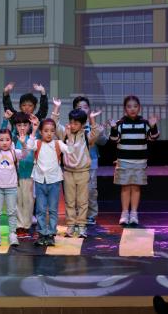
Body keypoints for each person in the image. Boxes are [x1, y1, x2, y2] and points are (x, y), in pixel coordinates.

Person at [52, 99, 103, 238]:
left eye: (76, 123)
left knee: (82, 201)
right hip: (68, 172)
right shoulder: (65, 134)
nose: (72, 125)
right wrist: (56, 108)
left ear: (82, 124)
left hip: (83, 173)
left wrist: (92, 119)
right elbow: (55, 124)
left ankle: (81, 226)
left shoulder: (86, 136)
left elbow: (95, 133)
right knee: (69, 201)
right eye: (71, 122)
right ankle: (70, 226)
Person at [108, 95, 159, 226]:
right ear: (125, 109)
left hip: (139, 162)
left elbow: (153, 137)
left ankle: (134, 213)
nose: (132, 109)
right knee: (125, 188)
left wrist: (153, 126)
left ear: (139, 108)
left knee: (136, 188)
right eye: (129, 106)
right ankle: (125, 213)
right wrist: (113, 128)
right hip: (124, 161)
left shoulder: (144, 123)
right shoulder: (120, 123)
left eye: (135, 106)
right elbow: (114, 140)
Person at [30, 118, 72, 247]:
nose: (49, 133)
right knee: (40, 209)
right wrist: (33, 130)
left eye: (52, 131)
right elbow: (28, 146)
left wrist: (69, 136)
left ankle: (51, 233)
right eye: (46, 131)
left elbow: (70, 150)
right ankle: (42, 233)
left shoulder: (58, 143)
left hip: (54, 181)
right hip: (40, 181)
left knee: (53, 209)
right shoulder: (37, 143)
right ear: (41, 132)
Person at [0, 128, 27, 246]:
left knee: (12, 212)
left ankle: (12, 234)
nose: (4, 142)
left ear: (11, 141)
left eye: (7, 139)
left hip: (11, 188)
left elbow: (25, 153)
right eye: (1, 140)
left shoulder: (15, 152)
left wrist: (23, 143)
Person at [72, 96, 108, 225]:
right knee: (76, 191)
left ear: (89, 110)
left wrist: (98, 131)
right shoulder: (71, 126)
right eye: (79, 107)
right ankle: (78, 215)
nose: (82, 110)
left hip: (91, 162)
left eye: (85, 107)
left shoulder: (93, 125)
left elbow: (103, 142)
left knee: (91, 190)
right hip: (75, 163)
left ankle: (91, 215)